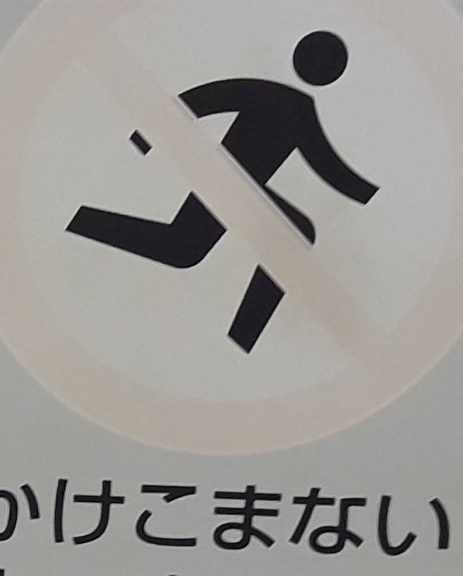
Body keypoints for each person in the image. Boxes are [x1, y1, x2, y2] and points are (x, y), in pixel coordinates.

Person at [68, 29, 379, 352]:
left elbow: (327, 165)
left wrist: (370, 195)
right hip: (221, 177)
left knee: (196, 245)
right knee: (186, 246)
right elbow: (202, 100)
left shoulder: (297, 108)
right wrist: (145, 135)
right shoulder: (277, 98)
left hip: (243, 189)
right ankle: (82, 221)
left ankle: (241, 338)